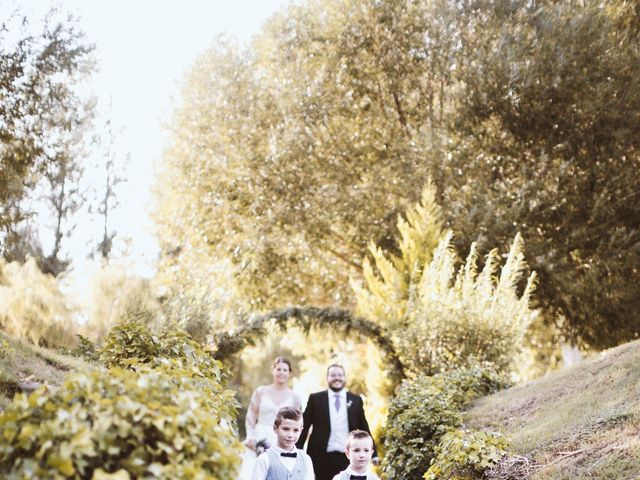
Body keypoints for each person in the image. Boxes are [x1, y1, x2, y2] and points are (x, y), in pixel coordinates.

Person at [296, 364, 377, 480]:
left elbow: (364, 427)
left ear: (344, 378)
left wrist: (374, 454)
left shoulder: (355, 400)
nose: (337, 378)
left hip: (346, 456)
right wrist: (297, 451)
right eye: (333, 375)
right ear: (327, 378)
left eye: (340, 375)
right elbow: (304, 426)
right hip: (319, 456)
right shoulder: (316, 399)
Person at [238, 357, 302, 480]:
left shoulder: (295, 397)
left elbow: (298, 423)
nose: (281, 372)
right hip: (259, 437)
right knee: (252, 473)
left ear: (289, 373)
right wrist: (251, 437)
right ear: (273, 370)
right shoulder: (261, 391)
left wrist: (291, 441)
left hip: (281, 439)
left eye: (285, 370)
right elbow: (251, 415)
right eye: (278, 369)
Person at [251, 406, 315, 480]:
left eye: (296, 430)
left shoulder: (306, 459)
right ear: (275, 428)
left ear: (301, 431)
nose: (290, 435)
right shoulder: (264, 459)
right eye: (286, 429)